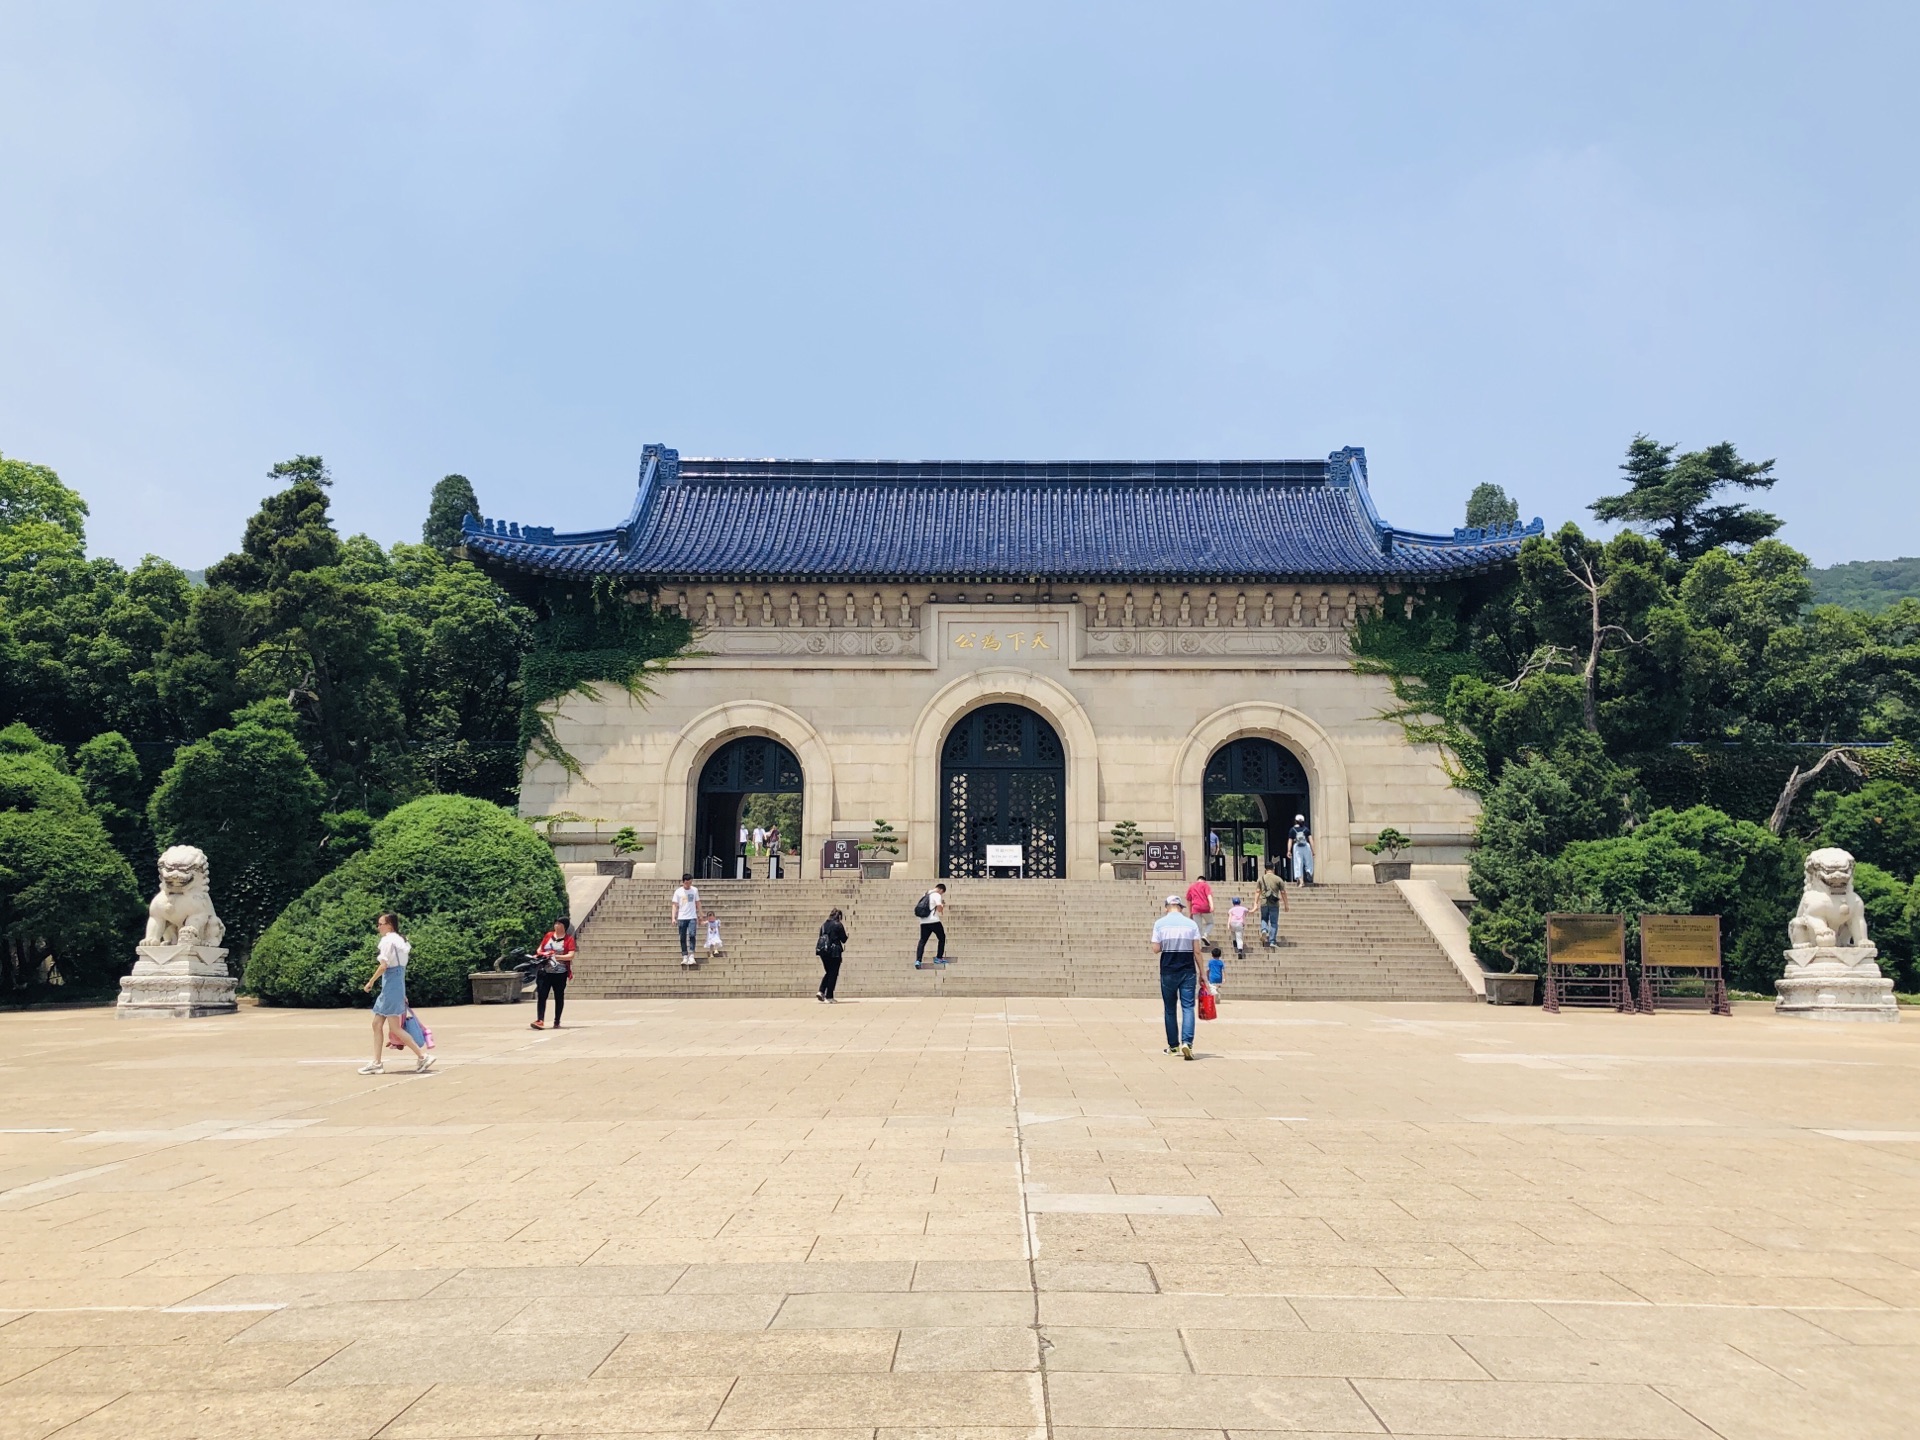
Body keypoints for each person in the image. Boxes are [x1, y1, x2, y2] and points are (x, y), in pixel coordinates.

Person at [360, 912, 432, 1075]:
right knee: (377, 1024)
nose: (378, 927)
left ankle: (422, 1056)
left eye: (381, 924)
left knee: (393, 1027)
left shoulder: (388, 941)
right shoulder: (400, 940)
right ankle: (377, 1062)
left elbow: (383, 966)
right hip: (395, 986)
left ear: (389, 925)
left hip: (391, 986)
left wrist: (370, 981)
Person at [1150, 895, 1203, 1060]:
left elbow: (1155, 948)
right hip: (1188, 970)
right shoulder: (1191, 924)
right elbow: (1197, 951)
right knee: (1188, 1007)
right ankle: (1187, 1043)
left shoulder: (1160, 924)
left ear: (1167, 907)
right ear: (1180, 907)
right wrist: (1203, 973)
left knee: (1170, 1009)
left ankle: (1173, 1046)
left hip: (1168, 970)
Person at [529, 918, 574, 1030]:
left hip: (559, 972)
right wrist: (544, 954)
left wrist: (556, 957)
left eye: (559, 923)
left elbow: (571, 955)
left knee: (559, 996)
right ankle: (540, 1020)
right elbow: (539, 949)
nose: (556, 925)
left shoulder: (568, 939)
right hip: (545, 971)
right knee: (542, 995)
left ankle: (557, 1020)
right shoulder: (548, 935)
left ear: (564, 926)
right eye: (556, 923)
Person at [816, 907, 848, 1002]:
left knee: (829, 972)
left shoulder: (824, 925)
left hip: (824, 951)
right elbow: (843, 939)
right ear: (839, 916)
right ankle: (829, 996)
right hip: (834, 952)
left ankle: (821, 991)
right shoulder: (838, 925)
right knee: (833, 973)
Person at [1257, 859, 1291, 948]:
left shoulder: (1261, 879)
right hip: (1274, 904)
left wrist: (1255, 903)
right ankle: (1272, 941)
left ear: (1265, 869)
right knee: (1274, 922)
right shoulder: (1278, 879)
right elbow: (1283, 892)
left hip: (1264, 902)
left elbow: (1257, 891)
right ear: (1273, 868)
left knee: (1264, 918)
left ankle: (1264, 930)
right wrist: (1286, 904)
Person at [915, 883, 948, 968]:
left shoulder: (926, 894)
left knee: (922, 941)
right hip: (934, 921)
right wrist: (942, 906)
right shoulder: (937, 895)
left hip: (923, 921)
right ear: (941, 890)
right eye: (942, 893)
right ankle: (939, 957)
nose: (941, 894)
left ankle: (918, 960)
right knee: (942, 938)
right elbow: (939, 908)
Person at [671, 874, 700, 966]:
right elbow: (675, 905)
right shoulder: (678, 891)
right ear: (683, 882)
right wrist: (673, 917)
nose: (688, 885)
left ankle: (691, 955)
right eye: (687, 883)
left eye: (690, 883)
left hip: (692, 916)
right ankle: (684, 955)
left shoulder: (694, 890)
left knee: (692, 934)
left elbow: (697, 902)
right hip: (682, 917)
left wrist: (700, 913)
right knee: (682, 937)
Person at [1185, 873, 1215, 944]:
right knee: (1210, 923)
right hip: (1205, 907)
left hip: (1195, 908)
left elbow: (1188, 900)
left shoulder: (1191, 886)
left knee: (1198, 927)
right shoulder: (1205, 885)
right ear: (1204, 880)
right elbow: (1209, 895)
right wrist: (1212, 905)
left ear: (1197, 880)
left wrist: (1190, 912)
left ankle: (1199, 945)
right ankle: (1205, 935)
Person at [1288, 815, 1314, 885]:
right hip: (1306, 846)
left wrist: (1289, 851)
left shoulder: (1292, 830)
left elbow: (1290, 841)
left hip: (1297, 847)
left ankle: (1301, 880)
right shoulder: (1306, 829)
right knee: (1308, 861)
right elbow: (1311, 840)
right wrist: (1313, 851)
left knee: (1298, 863)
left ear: (1295, 821)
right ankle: (1308, 871)